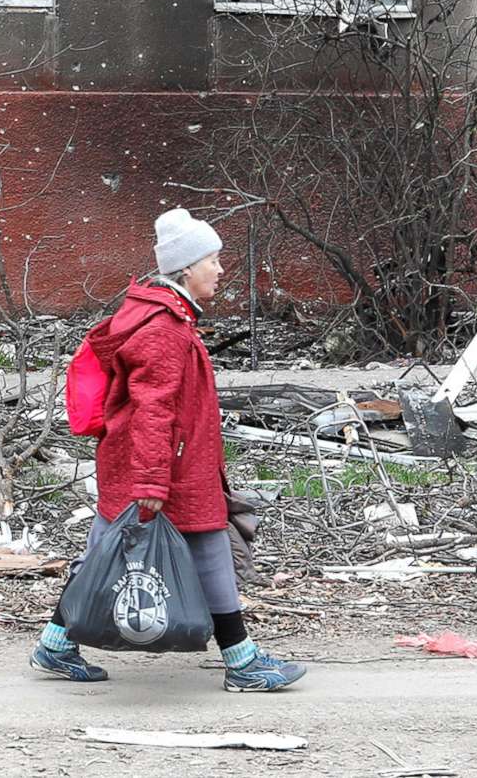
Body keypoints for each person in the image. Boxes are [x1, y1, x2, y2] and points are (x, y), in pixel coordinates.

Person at [31, 207, 307, 691]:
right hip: (165, 471)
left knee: (103, 552)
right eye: (213, 260)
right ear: (185, 268)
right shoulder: (163, 329)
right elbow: (152, 410)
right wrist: (152, 482)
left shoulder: (165, 317)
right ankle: (242, 664)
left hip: (153, 465)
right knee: (208, 551)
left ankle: (55, 645)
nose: (221, 271)